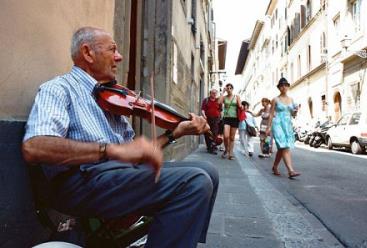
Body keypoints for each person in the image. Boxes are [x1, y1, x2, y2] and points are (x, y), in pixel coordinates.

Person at [22, 27, 219, 248]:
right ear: (88, 53)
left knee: (209, 171)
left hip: (116, 175)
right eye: (112, 50)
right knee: (194, 182)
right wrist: (109, 150)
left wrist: (174, 133)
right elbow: (34, 147)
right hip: (81, 182)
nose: (119, 56)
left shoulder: (112, 98)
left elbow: (136, 154)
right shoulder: (58, 89)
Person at [266, 77, 301, 178]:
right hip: (277, 124)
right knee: (284, 146)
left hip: (287, 125)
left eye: (285, 85)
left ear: (288, 87)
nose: (284, 87)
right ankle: (291, 171)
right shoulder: (275, 100)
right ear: (279, 88)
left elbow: (293, 114)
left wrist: (295, 111)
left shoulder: (291, 100)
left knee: (282, 148)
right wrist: (268, 128)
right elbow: (271, 114)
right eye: (281, 86)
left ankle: (275, 166)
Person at [218, 83, 241, 160]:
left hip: (234, 118)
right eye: (227, 88)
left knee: (232, 137)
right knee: (226, 136)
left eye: (230, 88)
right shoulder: (224, 97)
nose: (229, 89)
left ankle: (230, 153)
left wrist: (241, 106)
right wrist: (222, 92)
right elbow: (219, 102)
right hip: (226, 118)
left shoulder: (237, 97)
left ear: (232, 89)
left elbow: (240, 106)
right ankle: (226, 149)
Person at [201, 88, 222, 154]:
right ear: (210, 93)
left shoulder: (218, 100)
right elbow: (203, 109)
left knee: (215, 133)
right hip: (207, 119)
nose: (214, 94)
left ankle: (213, 147)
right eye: (213, 93)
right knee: (207, 132)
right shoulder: (206, 100)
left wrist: (220, 117)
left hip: (216, 119)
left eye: (215, 93)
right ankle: (209, 146)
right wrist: (204, 116)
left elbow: (220, 110)